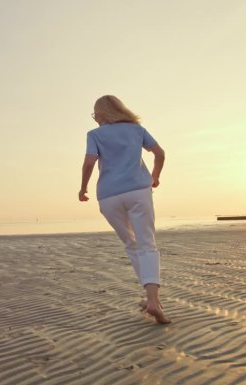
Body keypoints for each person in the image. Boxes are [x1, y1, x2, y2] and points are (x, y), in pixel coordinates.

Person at [78, 95, 170, 324]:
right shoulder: (136, 129)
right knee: (147, 244)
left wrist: (83, 189)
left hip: (108, 196)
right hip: (138, 191)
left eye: (95, 114)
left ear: (101, 114)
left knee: (132, 245)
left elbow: (89, 162)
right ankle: (152, 300)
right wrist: (155, 177)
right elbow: (160, 153)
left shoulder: (95, 135)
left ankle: (151, 300)